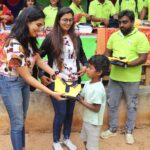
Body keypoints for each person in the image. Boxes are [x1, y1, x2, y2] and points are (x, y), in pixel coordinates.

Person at [0, 6, 65, 150]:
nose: (40, 29)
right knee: (17, 122)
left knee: (21, 119)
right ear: (27, 21)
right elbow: (29, 78)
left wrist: (56, 75)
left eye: (42, 25)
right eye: (38, 25)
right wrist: (52, 93)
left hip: (22, 82)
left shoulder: (28, 39)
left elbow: (38, 60)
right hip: (11, 83)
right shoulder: (14, 45)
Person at [40, 7, 88, 150]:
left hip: (73, 80)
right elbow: (38, 57)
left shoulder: (75, 37)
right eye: (64, 20)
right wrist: (42, 75)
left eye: (70, 20)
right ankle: (56, 141)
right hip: (57, 81)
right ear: (58, 20)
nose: (67, 23)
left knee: (69, 112)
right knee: (60, 112)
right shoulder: (51, 37)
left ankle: (66, 138)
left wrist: (85, 66)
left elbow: (83, 57)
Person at [100, 10, 149, 144]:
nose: (121, 25)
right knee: (112, 104)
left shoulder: (140, 37)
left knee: (131, 106)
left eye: (125, 22)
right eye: (120, 22)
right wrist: (107, 60)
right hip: (115, 78)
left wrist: (127, 64)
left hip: (132, 79)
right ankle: (112, 129)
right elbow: (107, 52)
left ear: (132, 22)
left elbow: (143, 58)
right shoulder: (114, 36)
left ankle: (129, 131)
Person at [78, 55, 110, 150]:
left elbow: (96, 109)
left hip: (94, 123)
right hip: (87, 119)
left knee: (92, 146)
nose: (87, 69)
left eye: (90, 68)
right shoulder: (88, 83)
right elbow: (82, 96)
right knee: (85, 140)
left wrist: (81, 101)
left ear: (99, 72)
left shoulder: (98, 89)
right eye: (87, 67)